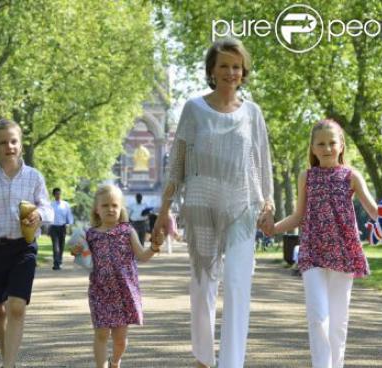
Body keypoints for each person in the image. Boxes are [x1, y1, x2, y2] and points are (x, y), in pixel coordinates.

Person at [152, 37, 274, 368]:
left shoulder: (252, 112)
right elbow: (177, 164)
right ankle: (204, 359)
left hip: (242, 208)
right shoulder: (193, 109)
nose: (231, 72)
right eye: (224, 66)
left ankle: (231, 363)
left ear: (244, 71)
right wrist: (165, 211)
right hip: (201, 208)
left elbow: (262, 160)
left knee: (237, 286)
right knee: (203, 286)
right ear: (211, 70)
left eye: (237, 66)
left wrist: (269, 201)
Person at [267, 119, 382, 368]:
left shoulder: (351, 176)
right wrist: (272, 228)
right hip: (312, 251)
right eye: (321, 144)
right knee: (318, 317)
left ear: (341, 146)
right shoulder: (306, 176)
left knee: (338, 322)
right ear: (313, 148)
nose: (327, 148)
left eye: (332, 143)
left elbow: (373, 211)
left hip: (344, 252)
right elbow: (298, 216)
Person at [0, 118, 54, 368]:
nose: (9, 146)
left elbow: (47, 208)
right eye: (3, 142)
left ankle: (8, 365)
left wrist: (39, 215)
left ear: (20, 145)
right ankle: (6, 359)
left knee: (17, 307)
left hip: (25, 247)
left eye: (13, 141)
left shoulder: (34, 177)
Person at [72, 184, 160, 368]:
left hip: (124, 292)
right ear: (97, 209)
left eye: (114, 205)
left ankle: (115, 361)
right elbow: (78, 253)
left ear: (121, 209)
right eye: (105, 205)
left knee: (120, 340)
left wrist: (153, 248)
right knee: (101, 334)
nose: (110, 209)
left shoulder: (127, 231)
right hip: (100, 291)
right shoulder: (90, 234)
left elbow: (142, 256)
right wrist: (76, 250)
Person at [49, 187, 74, 270]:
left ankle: (59, 261)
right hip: (53, 227)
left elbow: (69, 215)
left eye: (59, 194)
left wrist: (69, 224)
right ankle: (56, 263)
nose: (58, 195)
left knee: (61, 245)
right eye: (57, 194)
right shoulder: (51, 205)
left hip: (62, 227)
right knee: (55, 246)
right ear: (54, 195)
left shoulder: (65, 204)